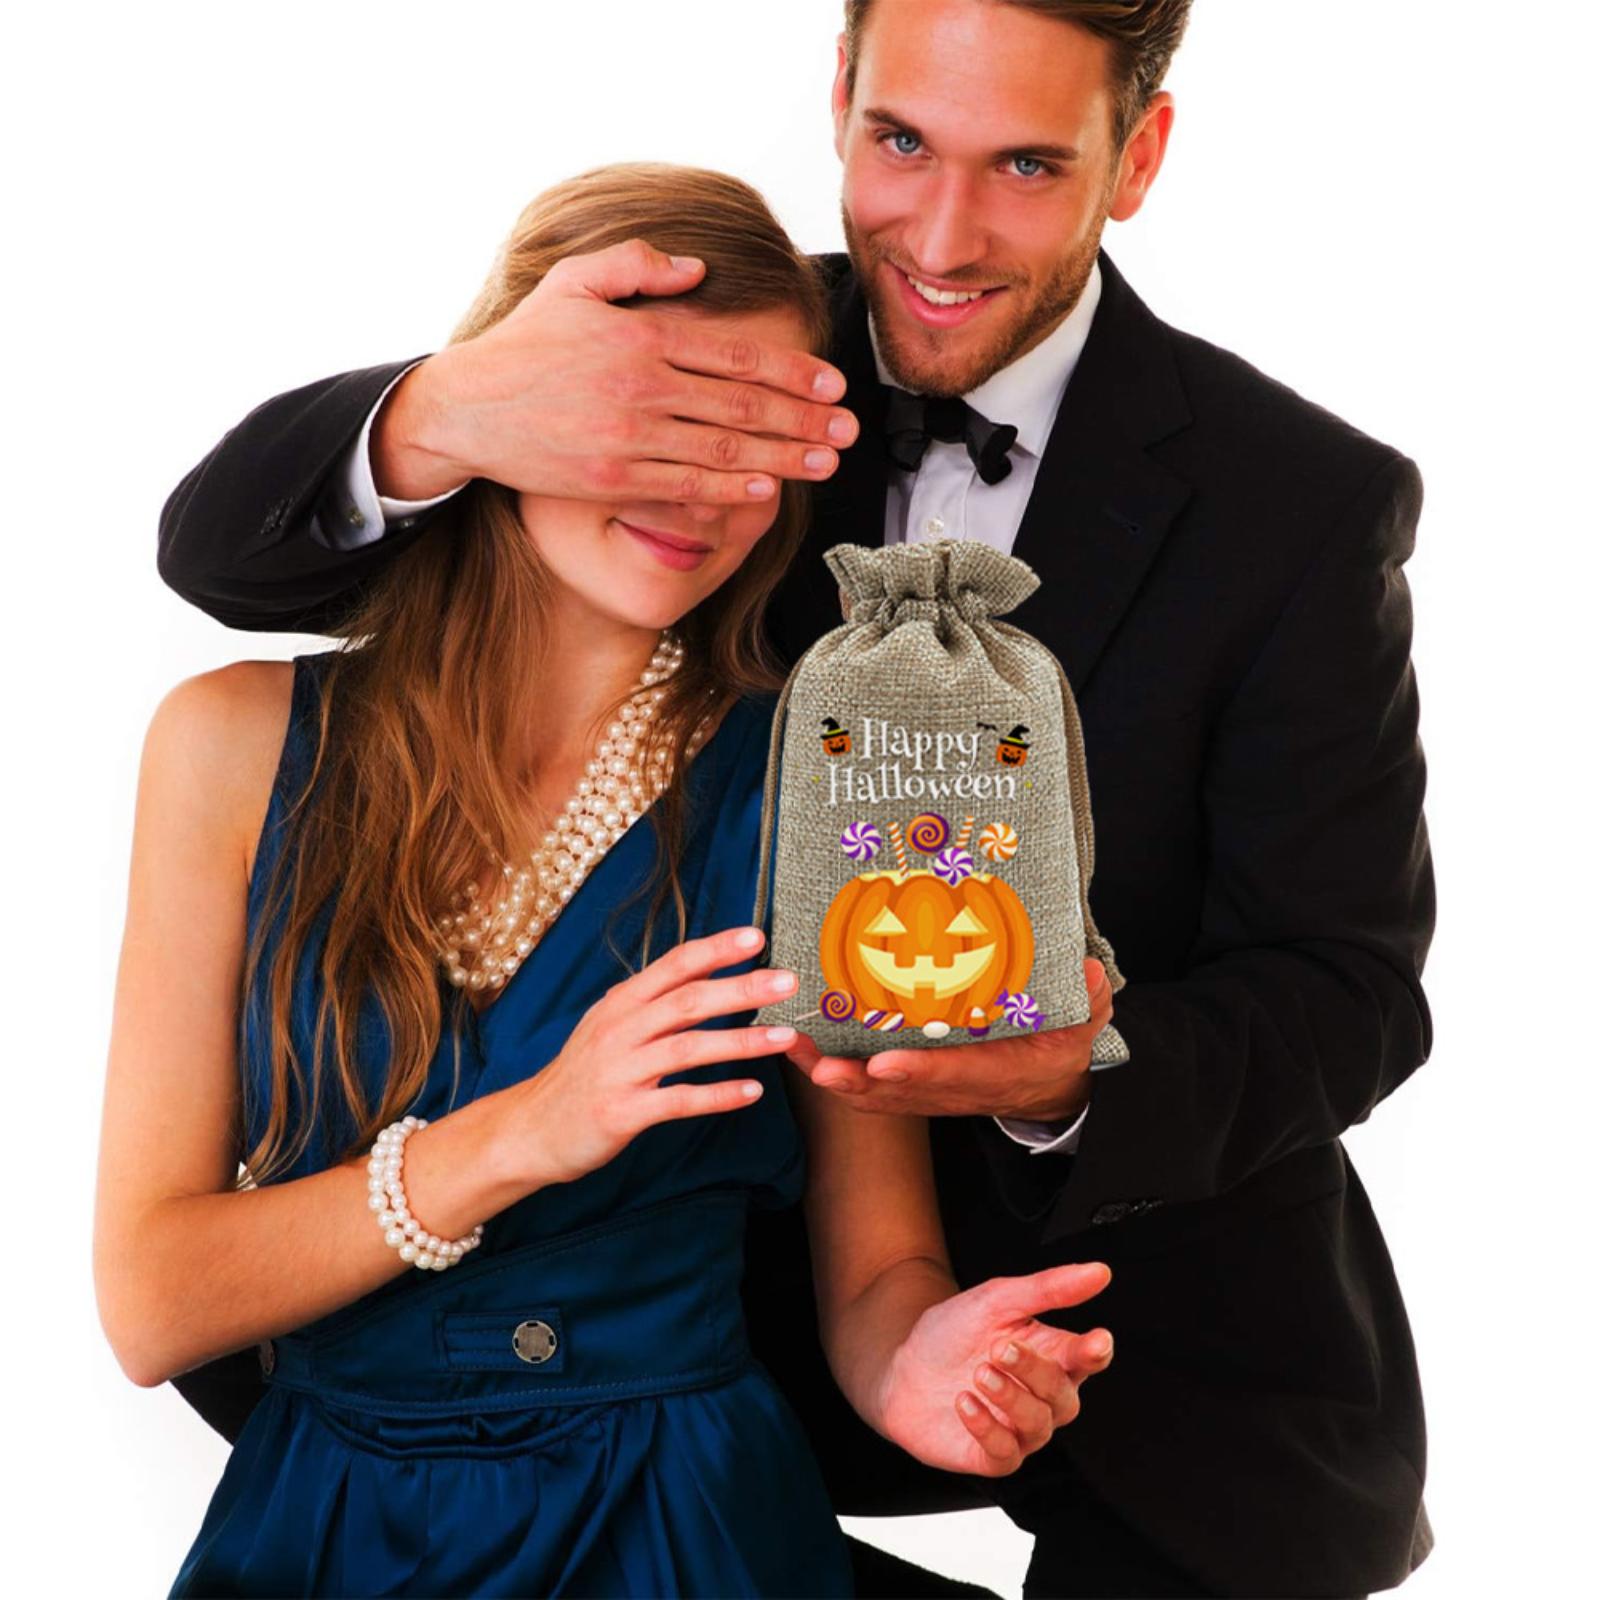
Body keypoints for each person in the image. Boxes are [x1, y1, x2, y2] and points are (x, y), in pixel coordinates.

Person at [152, 2, 1437, 1595]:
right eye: (902, 141)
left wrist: (1067, 1078)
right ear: (840, 97)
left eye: (1027, 165)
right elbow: (223, 555)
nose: (942, 238)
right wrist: (446, 408)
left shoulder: (1300, 507)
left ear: (1137, 156)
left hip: (1145, 1337)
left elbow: (1352, 991)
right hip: (679, 1320)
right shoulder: (708, 353)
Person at [97, 163, 1122, 1599]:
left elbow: (875, 1274)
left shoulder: (817, 780)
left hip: (687, 1528)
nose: (703, 485)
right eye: (663, 418)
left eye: (757, 438)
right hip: (325, 1531)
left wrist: (926, 1366)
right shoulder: (232, 743)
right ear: (520, 403)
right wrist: (524, 1131)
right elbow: (152, 1305)